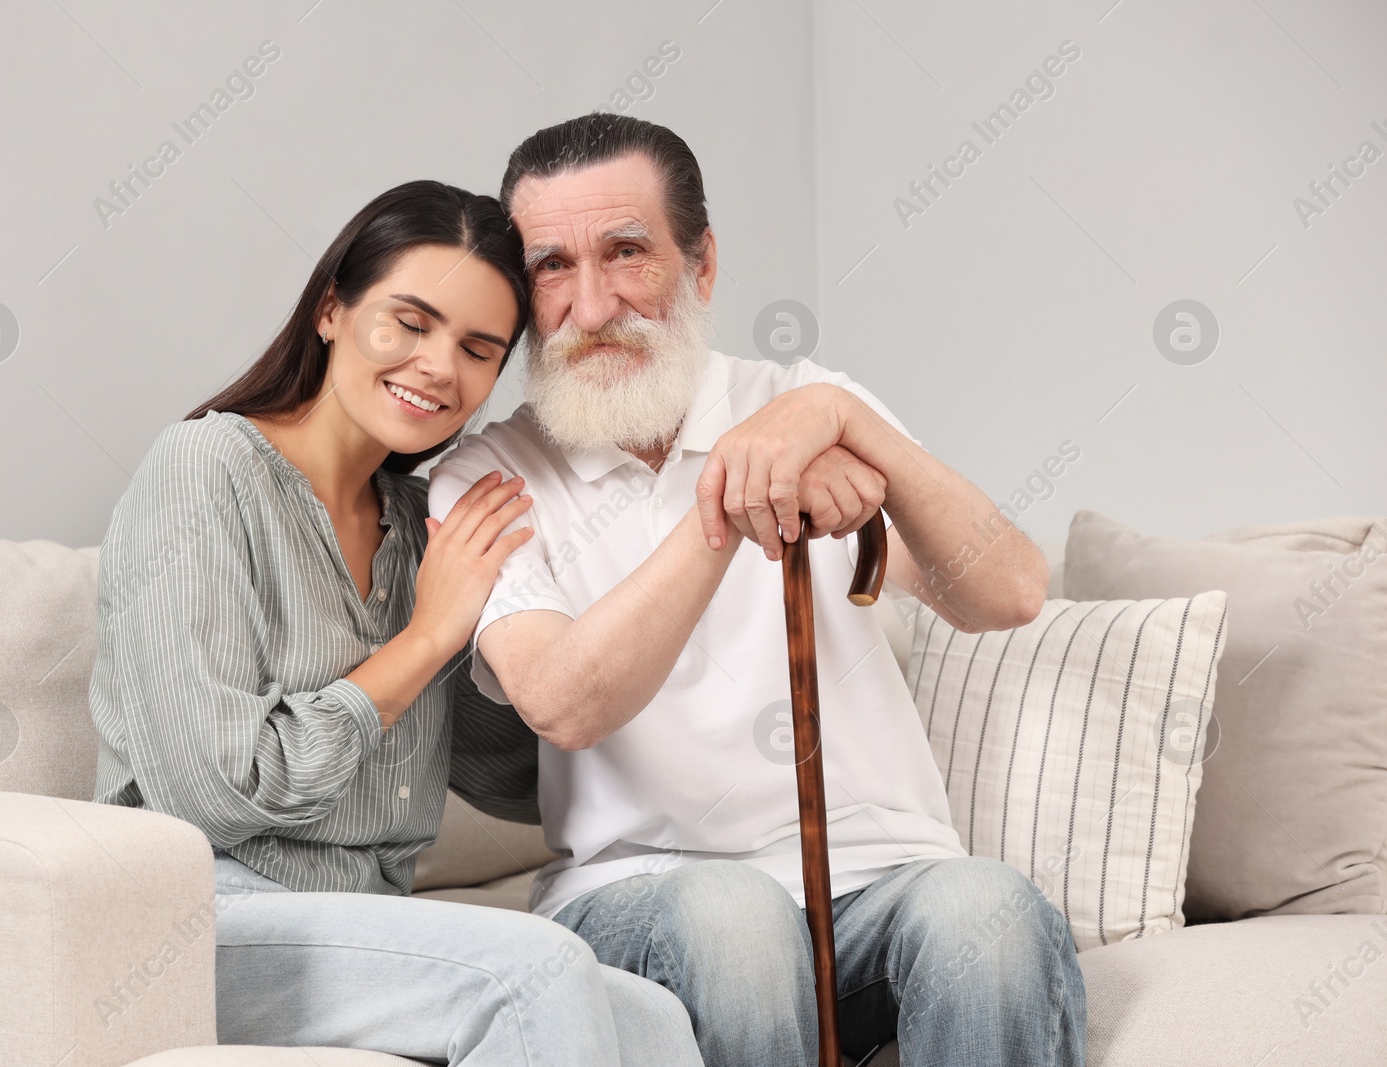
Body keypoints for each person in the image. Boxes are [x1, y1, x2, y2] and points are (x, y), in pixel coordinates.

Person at [426, 115, 1088, 1066]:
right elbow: (563, 702)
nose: (593, 303)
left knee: (988, 908)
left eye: (626, 253)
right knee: (734, 920)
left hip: (878, 883)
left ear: (700, 266)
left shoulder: (801, 399)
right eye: (552, 267)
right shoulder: (490, 475)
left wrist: (840, 415)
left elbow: (1010, 591)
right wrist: (734, 498)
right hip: (645, 899)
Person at [88, 179, 702, 1066]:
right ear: (332, 309)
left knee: (653, 1018)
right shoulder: (205, 470)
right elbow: (214, 790)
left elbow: (515, 776)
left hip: (369, 920)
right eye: (409, 323)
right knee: (535, 976)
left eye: (479, 349)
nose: (439, 368)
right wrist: (425, 638)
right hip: (197, 925)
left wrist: (601, 613)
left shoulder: (422, 525)